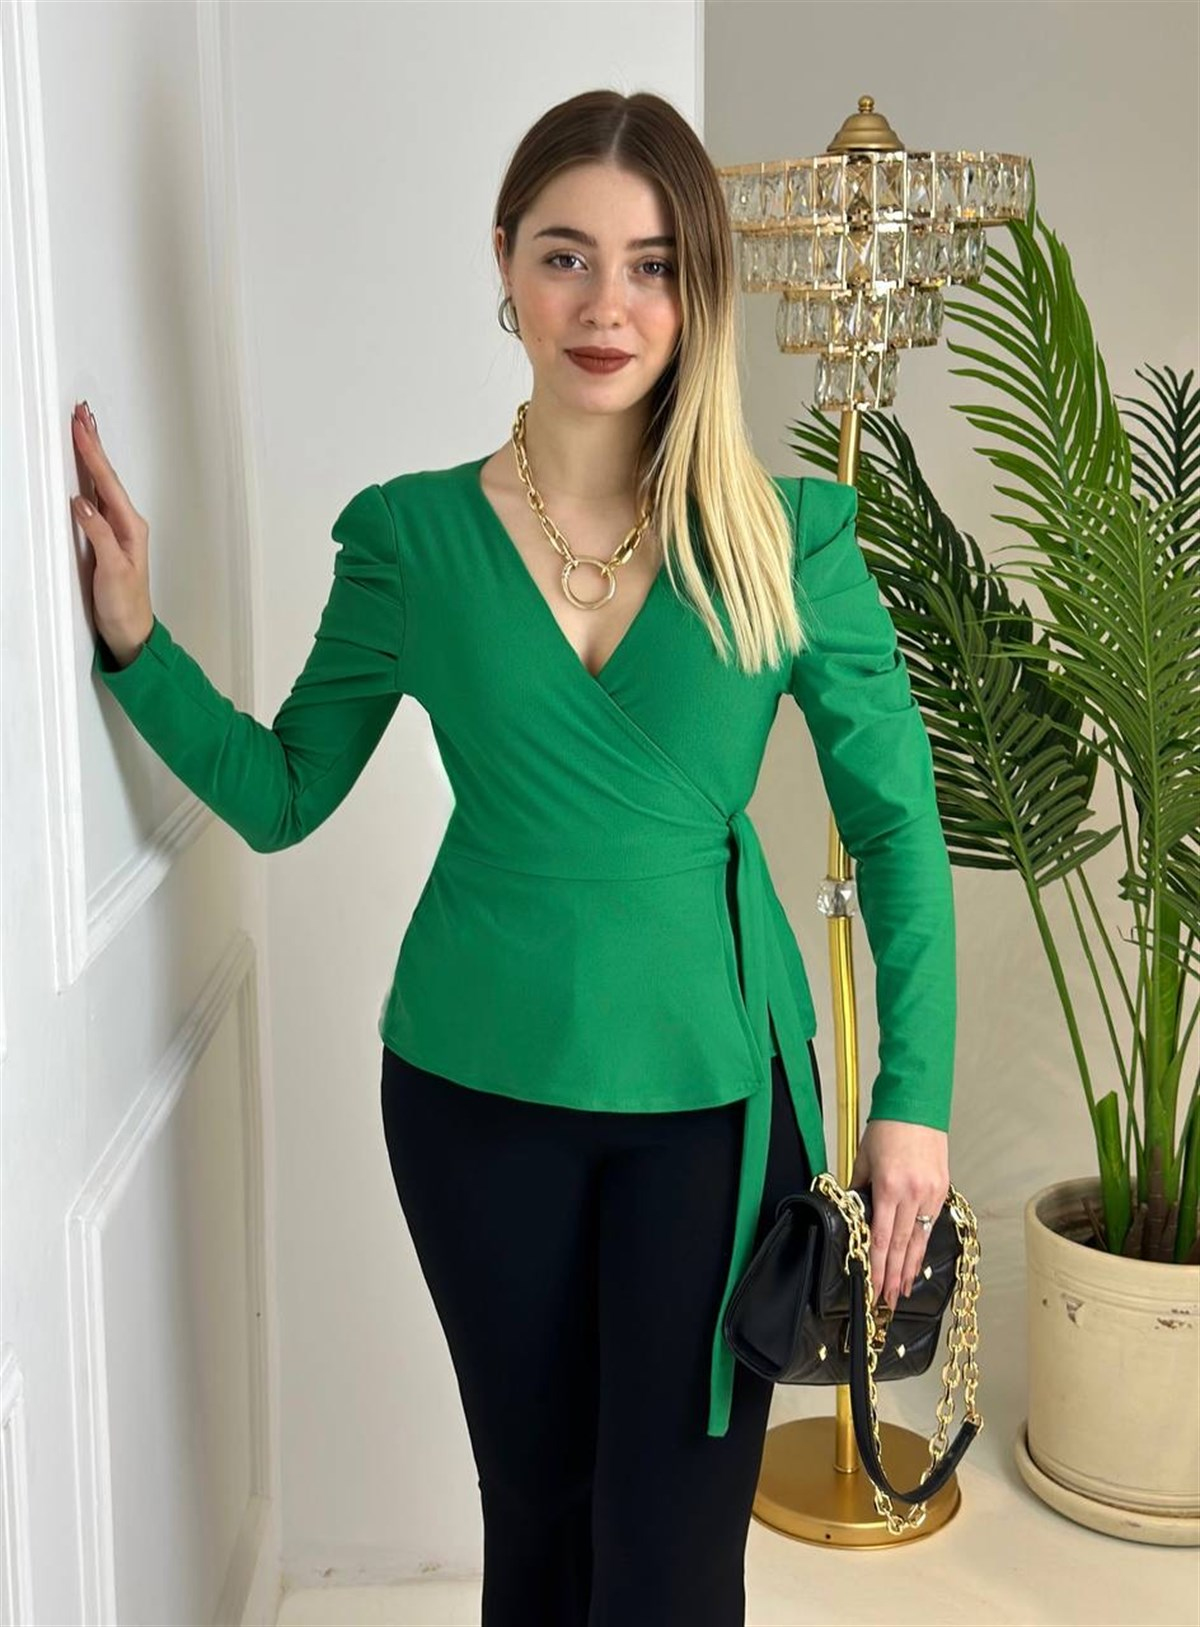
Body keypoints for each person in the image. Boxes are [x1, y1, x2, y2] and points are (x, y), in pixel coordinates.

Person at [75, 87, 956, 1627]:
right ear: (504, 263)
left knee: (670, 1562)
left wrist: (914, 1105)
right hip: (474, 1099)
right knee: (537, 1531)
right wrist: (140, 643)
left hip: (717, 1112)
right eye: (566, 256)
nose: (607, 305)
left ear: (699, 287)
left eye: (652, 265)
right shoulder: (412, 541)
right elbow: (286, 792)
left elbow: (896, 830)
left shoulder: (790, 537)